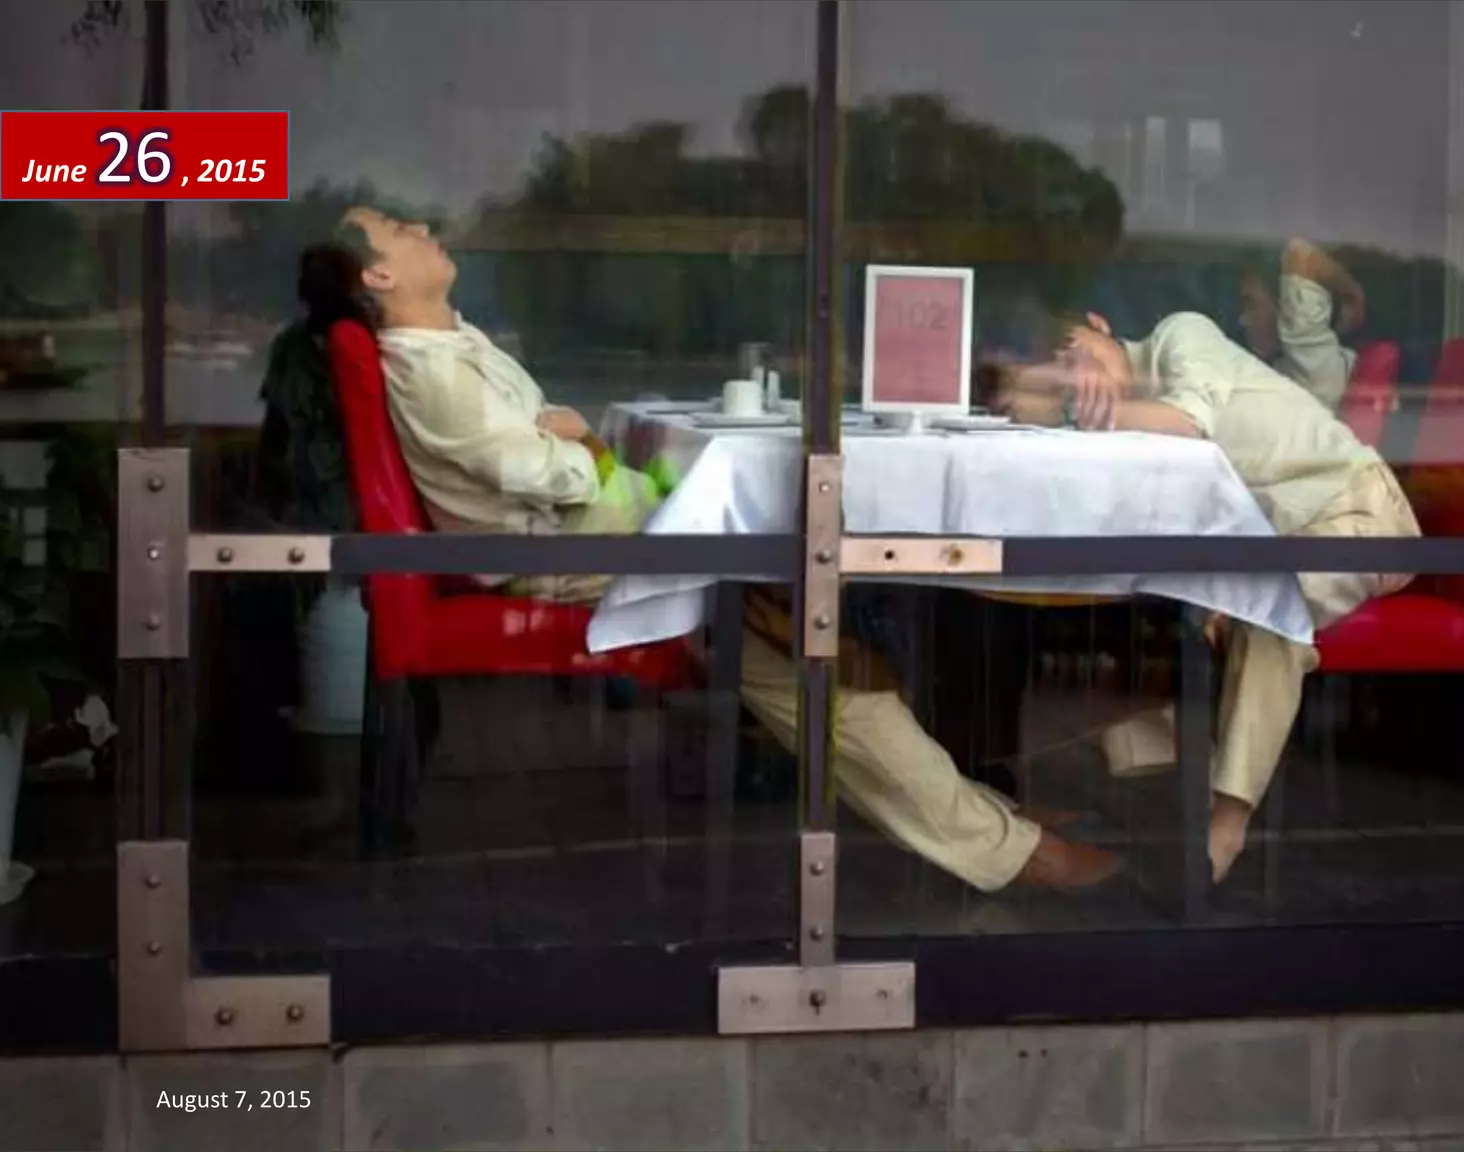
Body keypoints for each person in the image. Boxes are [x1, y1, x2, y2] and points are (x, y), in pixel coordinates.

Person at [305, 205, 1122, 894]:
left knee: (831, 609)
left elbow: (535, 445)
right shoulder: (429, 368)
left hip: (610, 534)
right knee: (814, 629)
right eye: (395, 229)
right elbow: (532, 466)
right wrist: (587, 446)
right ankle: (1003, 847)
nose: (419, 227)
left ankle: (979, 811)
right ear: (377, 277)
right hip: (582, 554)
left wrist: (583, 450)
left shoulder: (450, 346)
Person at [991, 307, 1422, 881]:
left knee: (1271, 618)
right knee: (1195, 618)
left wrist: (1074, 404)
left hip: (1358, 516)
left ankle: (1225, 827)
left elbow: (1190, 422)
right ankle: (1102, 766)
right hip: (1277, 544)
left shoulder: (1179, 333)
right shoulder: (1126, 425)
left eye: (1079, 352)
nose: (1080, 374)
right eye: (1061, 370)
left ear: (1101, 322)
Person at [1237, 238, 1367, 411]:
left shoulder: (1315, 364)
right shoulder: (1288, 366)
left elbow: (1300, 253)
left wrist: (1353, 294)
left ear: (1287, 307)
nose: (1243, 320)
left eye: (1251, 305)